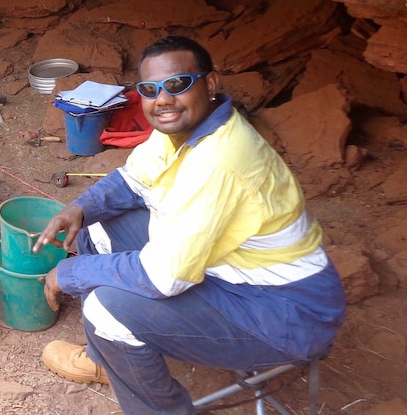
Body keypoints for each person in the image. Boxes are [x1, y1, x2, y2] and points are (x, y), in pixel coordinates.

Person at [34, 35, 346, 414]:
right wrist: (79, 209)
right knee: (95, 227)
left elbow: (162, 278)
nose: (162, 99)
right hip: (233, 274)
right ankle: (104, 358)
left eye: (177, 84)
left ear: (210, 84)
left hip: (284, 313)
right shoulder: (182, 131)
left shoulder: (220, 160)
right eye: (149, 89)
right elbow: (133, 180)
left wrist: (69, 271)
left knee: (104, 306)